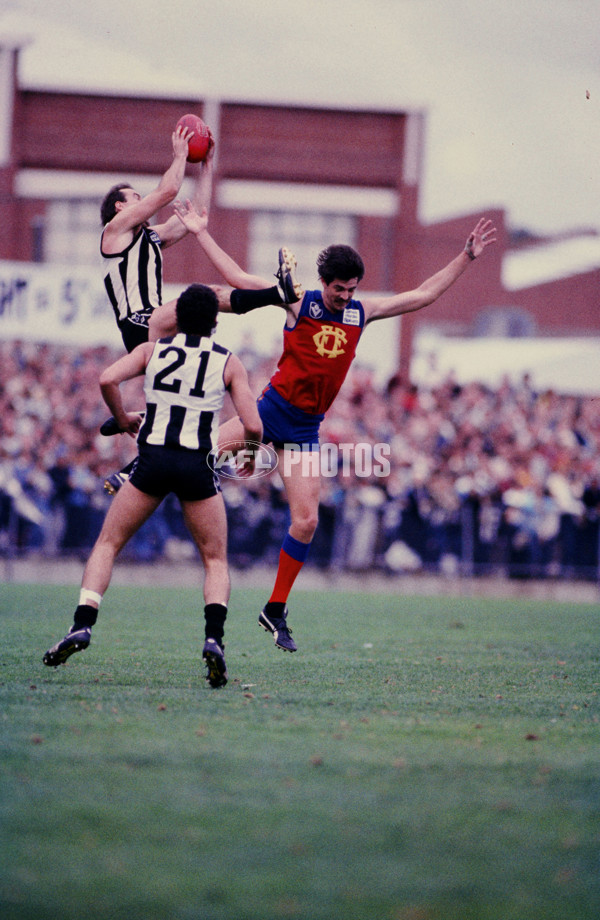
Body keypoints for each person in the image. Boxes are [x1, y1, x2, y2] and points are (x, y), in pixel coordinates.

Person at [174, 200, 497, 653]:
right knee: (195, 453)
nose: (346, 295)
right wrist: (199, 232)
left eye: (351, 289)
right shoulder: (296, 300)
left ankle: (275, 610)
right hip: (268, 414)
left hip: (306, 430)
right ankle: (135, 472)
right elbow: (237, 279)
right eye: (340, 288)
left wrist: (464, 257)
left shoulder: (360, 312)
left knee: (306, 521)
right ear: (323, 282)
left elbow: (423, 295)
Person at [43, 284, 262, 688]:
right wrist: (247, 454)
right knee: (215, 559)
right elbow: (252, 425)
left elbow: (108, 378)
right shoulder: (228, 362)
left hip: (152, 461)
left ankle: (83, 623)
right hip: (197, 464)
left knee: (107, 544)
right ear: (216, 321)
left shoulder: (152, 350)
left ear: (176, 317)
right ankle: (214, 639)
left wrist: (124, 418)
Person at [99, 131, 302, 493]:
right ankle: (277, 293)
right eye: (134, 197)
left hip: (156, 324)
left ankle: (133, 464)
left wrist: (205, 169)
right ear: (119, 207)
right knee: (205, 296)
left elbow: (193, 218)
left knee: (195, 379)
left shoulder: (150, 237)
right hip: (139, 324)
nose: (142, 200)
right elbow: (167, 194)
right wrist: (179, 155)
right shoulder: (114, 232)